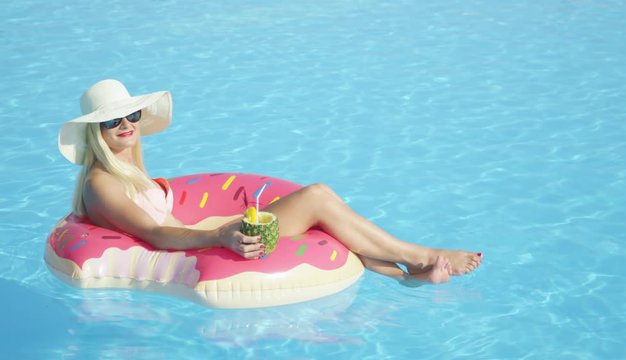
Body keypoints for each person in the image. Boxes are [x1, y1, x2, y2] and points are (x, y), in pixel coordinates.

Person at [58, 79, 482, 285]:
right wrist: (222, 233)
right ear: (96, 130)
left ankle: (404, 277)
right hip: (200, 242)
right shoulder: (102, 184)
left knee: (321, 216)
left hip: (203, 231)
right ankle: (422, 255)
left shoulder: (125, 168)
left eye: (131, 115)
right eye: (113, 120)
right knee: (317, 197)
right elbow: (155, 233)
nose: (127, 125)